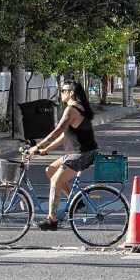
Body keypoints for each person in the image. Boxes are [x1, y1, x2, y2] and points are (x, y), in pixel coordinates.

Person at [28, 79, 98, 230]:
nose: (61, 93)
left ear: (71, 93)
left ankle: (52, 220)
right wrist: (46, 149)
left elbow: (57, 131)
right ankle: (76, 202)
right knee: (50, 170)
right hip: (77, 153)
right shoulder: (77, 107)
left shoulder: (72, 109)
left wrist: (37, 146)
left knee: (55, 181)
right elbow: (64, 135)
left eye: (63, 91)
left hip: (81, 154)